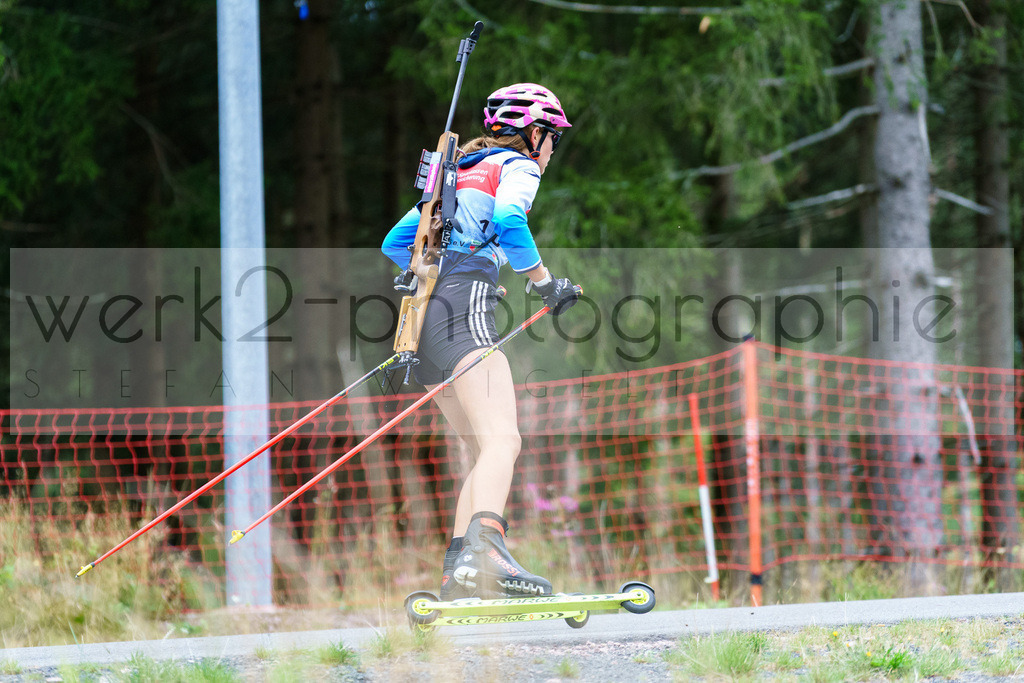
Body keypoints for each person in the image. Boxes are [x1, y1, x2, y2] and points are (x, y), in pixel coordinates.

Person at [381, 83, 579, 599]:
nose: (552, 148)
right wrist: (544, 284)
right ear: (534, 134)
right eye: (552, 136)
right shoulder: (518, 168)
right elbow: (512, 220)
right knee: (504, 441)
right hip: (465, 311)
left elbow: (396, 244)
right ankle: (486, 551)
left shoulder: (458, 170)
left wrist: (443, 270)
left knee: (480, 448)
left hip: (424, 323)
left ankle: (458, 571)